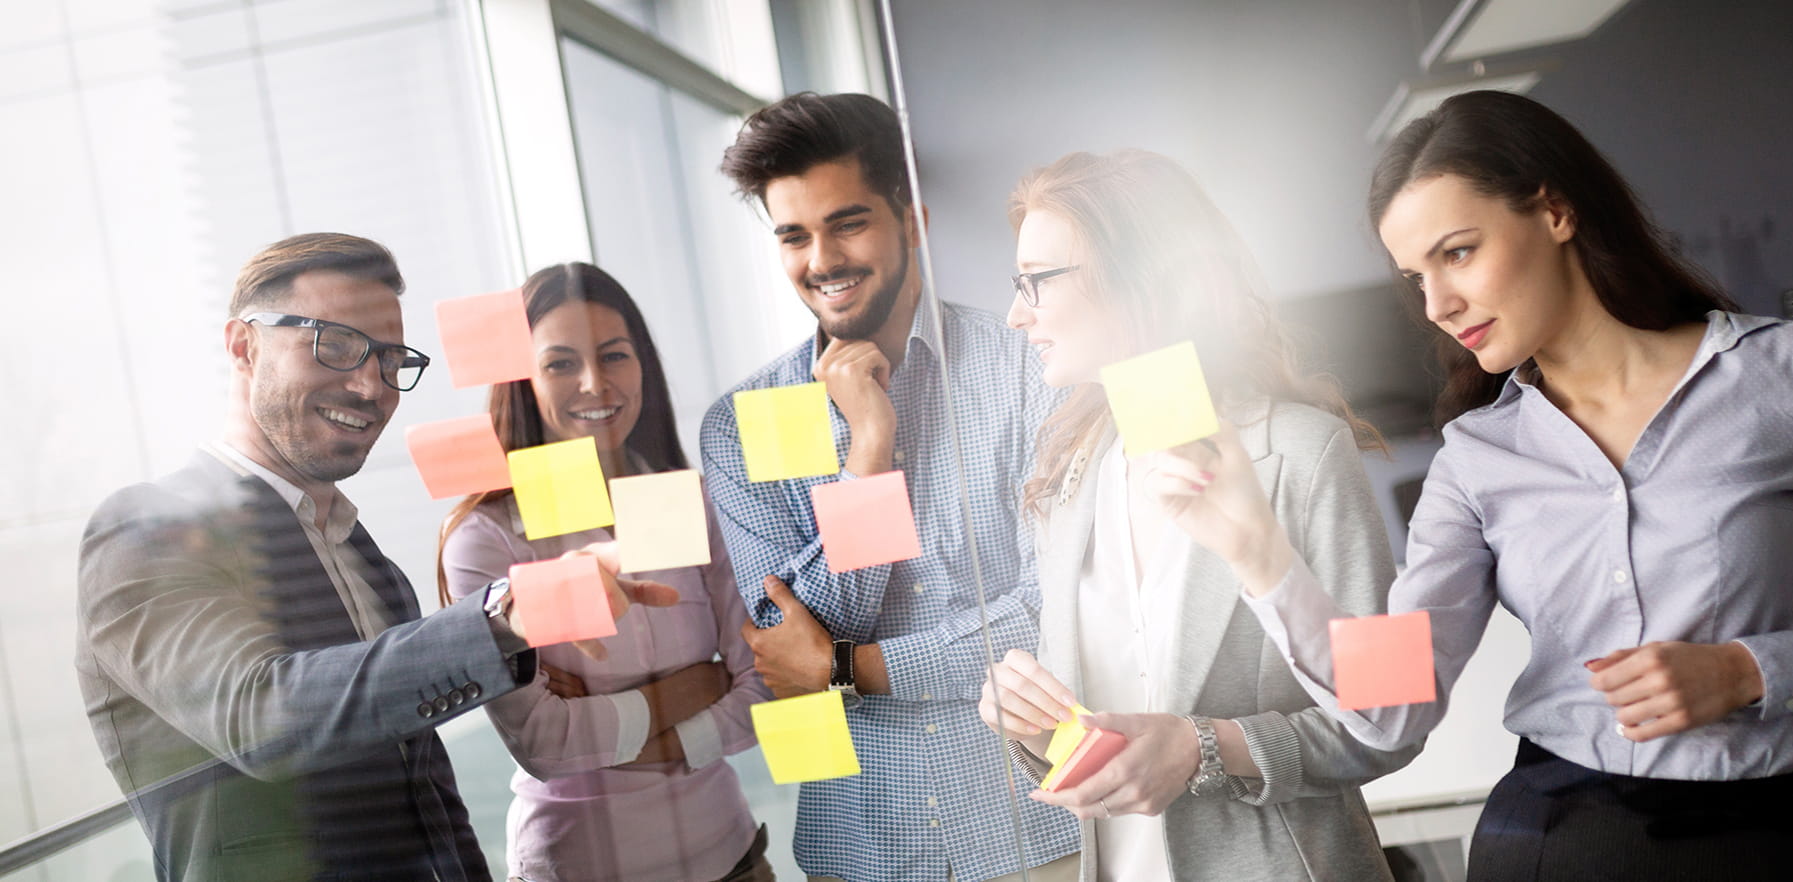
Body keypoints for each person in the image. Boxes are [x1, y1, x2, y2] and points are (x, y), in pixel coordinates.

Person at [1229, 90, 1793, 880]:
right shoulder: (1477, 456)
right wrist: (1259, 554)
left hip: (1747, 838)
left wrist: (1749, 670)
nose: (1437, 305)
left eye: (1459, 252)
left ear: (1556, 211)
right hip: (1543, 838)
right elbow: (1394, 700)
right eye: (1416, 277)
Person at [75, 234, 672, 881]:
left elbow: (428, 796)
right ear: (244, 346)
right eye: (334, 345)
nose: (370, 385)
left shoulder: (367, 558)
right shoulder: (145, 528)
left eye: (391, 360)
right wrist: (502, 617)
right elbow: (259, 718)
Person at [973, 149, 1417, 881]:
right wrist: (1032, 724)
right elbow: (1101, 738)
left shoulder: (1306, 455)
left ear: (1137, 278)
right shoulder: (1065, 479)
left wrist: (1203, 747)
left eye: (1037, 283)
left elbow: (1390, 723)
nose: (1017, 314)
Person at [702, 92, 1079, 882]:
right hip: (863, 851)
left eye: (848, 223)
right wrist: (868, 458)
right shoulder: (743, 425)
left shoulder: (1026, 370)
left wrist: (851, 668)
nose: (822, 260)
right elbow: (789, 656)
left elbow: (1054, 615)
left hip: (1042, 831)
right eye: (794, 236)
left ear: (914, 222)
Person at [438, 262, 773, 882]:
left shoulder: (689, 499)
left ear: (642, 363)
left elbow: (762, 690)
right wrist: (691, 687)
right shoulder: (484, 539)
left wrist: (613, 729)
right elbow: (547, 744)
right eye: (561, 363)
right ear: (522, 377)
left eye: (614, 355)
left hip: (732, 857)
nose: (595, 383)